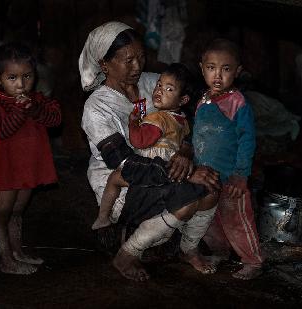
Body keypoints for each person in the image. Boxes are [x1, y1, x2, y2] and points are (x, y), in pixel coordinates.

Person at [80, 21, 220, 282]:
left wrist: (186, 154)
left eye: (141, 57)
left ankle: (187, 249)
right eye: (128, 60)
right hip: (122, 183)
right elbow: (123, 162)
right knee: (187, 200)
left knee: (211, 190)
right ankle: (127, 254)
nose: (138, 66)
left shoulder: (155, 82)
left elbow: (186, 125)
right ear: (104, 64)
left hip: (165, 167)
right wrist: (182, 174)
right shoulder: (97, 108)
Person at [92, 63, 217, 231]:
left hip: (151, 166)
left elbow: (139, 141)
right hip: (171, 167)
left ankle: (103, 218)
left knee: (114, 178)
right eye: (159, 85)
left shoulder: (159, 118)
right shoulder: (183, 120)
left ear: (183, 99)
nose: (159, 91)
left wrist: (133, 123)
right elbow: (186, 140)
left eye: (169, 89)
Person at [0, 42, 61, 274]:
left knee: (17, 212)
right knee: (2, 214)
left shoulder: (37, 99)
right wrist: (18, 111)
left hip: (28, 169)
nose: (21, 84)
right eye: (12, 78)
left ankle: (17, 252)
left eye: (26, 76)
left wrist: (34, 109)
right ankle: (5, 260)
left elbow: (55, 119)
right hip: (7, 171)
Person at [193, 38, 263, 280]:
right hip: (207, 179)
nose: (218, 76)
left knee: (237, 221)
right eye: (211, 68)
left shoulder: (237, 103)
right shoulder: (203, 101)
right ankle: (221, 252)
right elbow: (198, 138)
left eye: (226, 69)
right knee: (209, 220)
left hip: (232, 179)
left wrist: (240, 174)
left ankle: (252, 260)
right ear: (202, 68)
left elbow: (247, 141)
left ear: (238, 71)